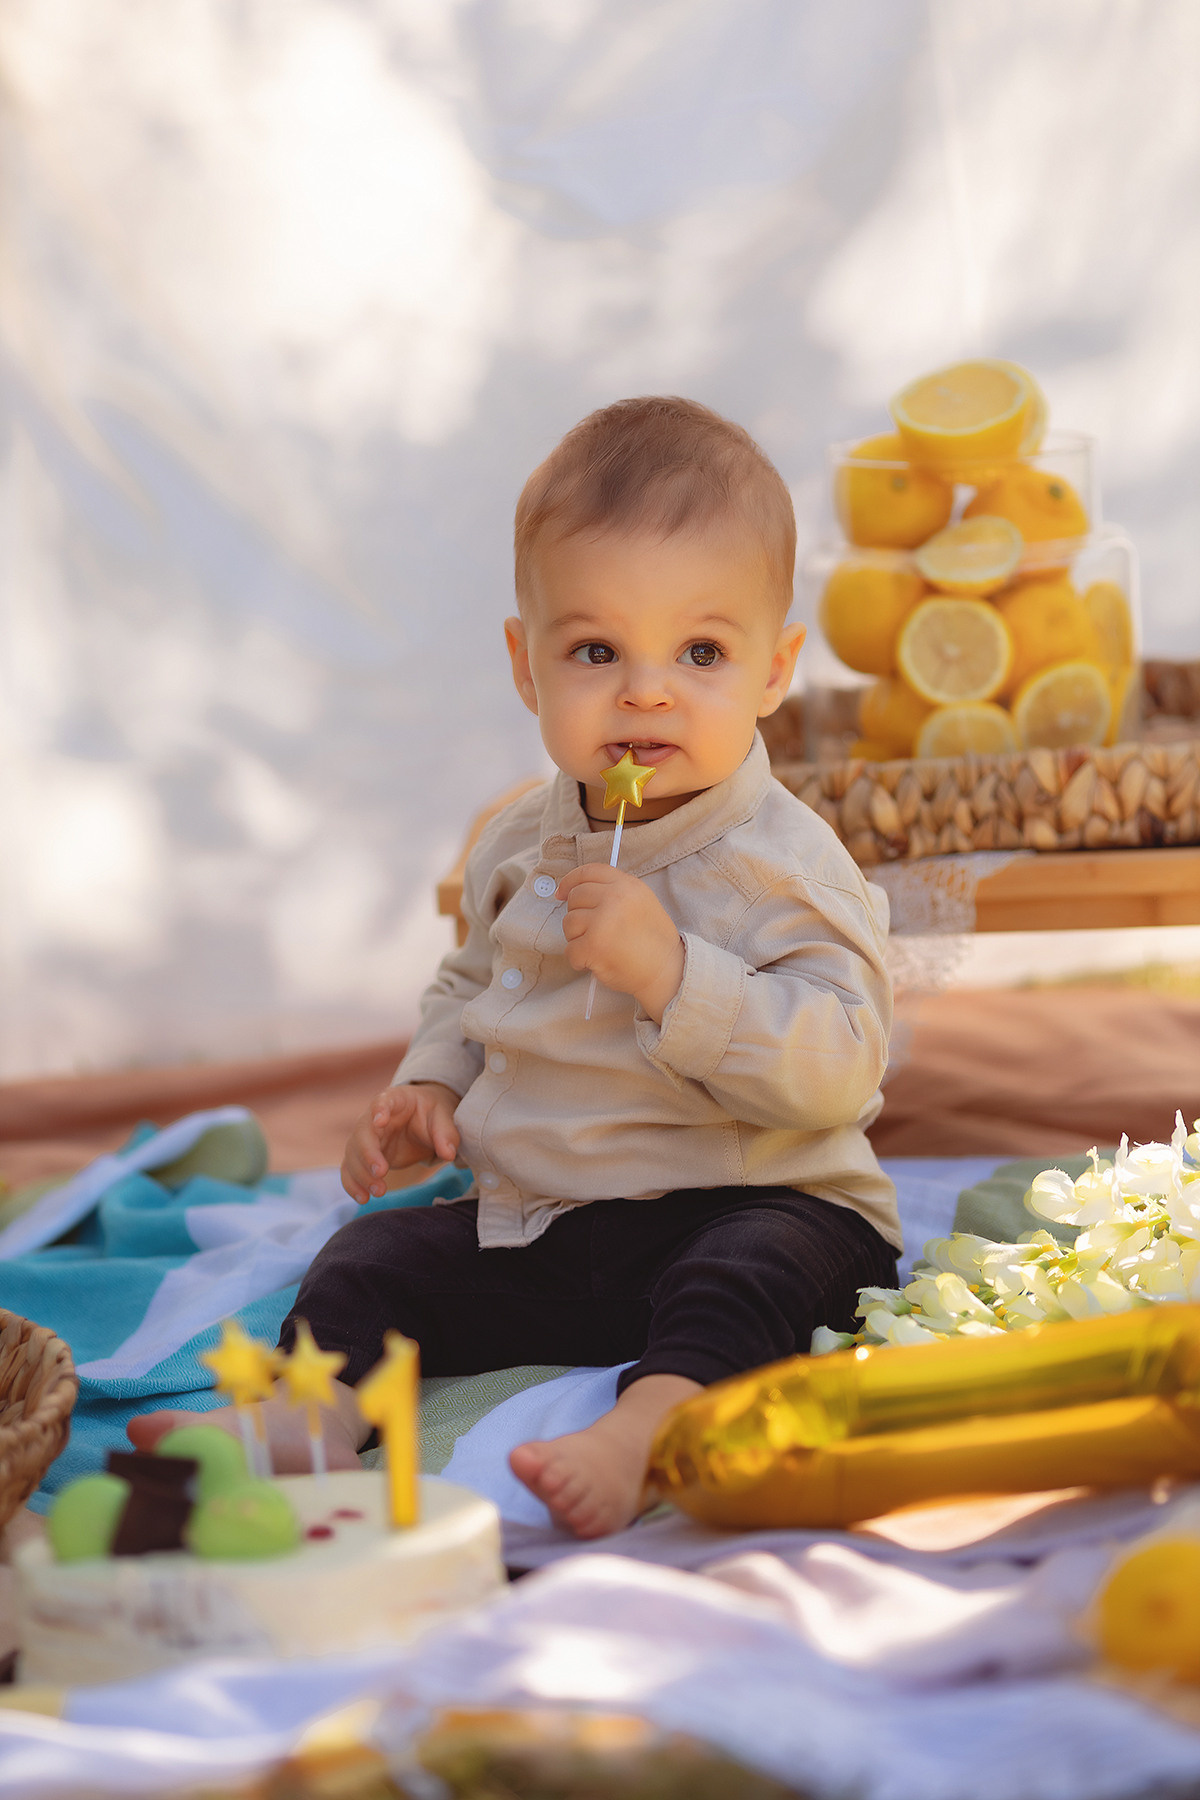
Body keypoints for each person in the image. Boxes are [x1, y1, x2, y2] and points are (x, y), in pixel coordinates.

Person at [131, 396, 901, 1536]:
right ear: (525, 666)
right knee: (375, 1260)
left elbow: (842, 1065)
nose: (645, 691)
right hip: (553, 1224)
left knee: (754, 1272)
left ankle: (657, 1426)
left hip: (749, 1194)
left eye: (701, 652)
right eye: (596, 650)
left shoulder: (784, 864)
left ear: (777, 668)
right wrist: (431, 1084)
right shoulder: (516, 842)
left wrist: (674, 974)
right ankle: (311, 1418)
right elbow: (469, 984)